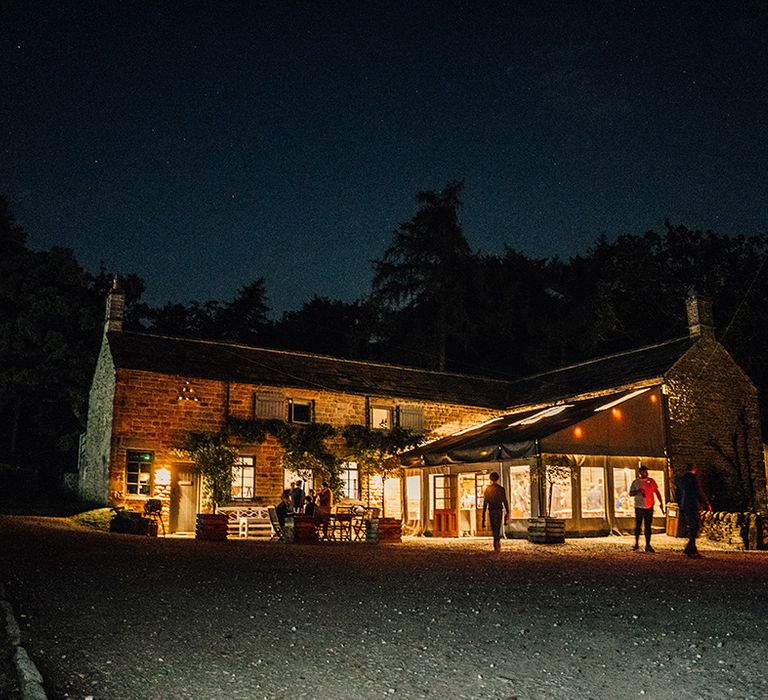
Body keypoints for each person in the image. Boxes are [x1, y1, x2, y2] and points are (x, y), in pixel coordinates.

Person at [676, 463, 712, 558]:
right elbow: (698, 492)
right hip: (692, 504)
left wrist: (680, 505)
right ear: (693, 469)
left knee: (692, 526)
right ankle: (691, 549)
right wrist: (706, 503)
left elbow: (678, 493)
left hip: (685, 505)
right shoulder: (693, 479)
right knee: (695, 526)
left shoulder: (681, 479)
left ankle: (690, 548)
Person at [629, 465, 665, 552]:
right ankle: (636, 543)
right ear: (640, 472)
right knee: (638, 526)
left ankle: (648, 545)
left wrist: (661, 502)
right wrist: (638, 491)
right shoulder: (635, 482)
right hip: (639, 507)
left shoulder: (651, 481)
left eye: (647, 471)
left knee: (648, 526)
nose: (647, 473)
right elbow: (630, 493)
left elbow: (656, 492)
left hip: (649, 506)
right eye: (645, 471)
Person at [481, 472, 509, 557]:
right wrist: (508, 511)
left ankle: (495, 541)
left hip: (492, 510)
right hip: (499, 509)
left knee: (494, 526)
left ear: (490, 479)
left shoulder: (488, 489)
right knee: (498, 526)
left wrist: (483, 515)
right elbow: (505, 500)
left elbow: (485, 502)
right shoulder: (501, 489)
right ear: (498, 479)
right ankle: (497, 541)